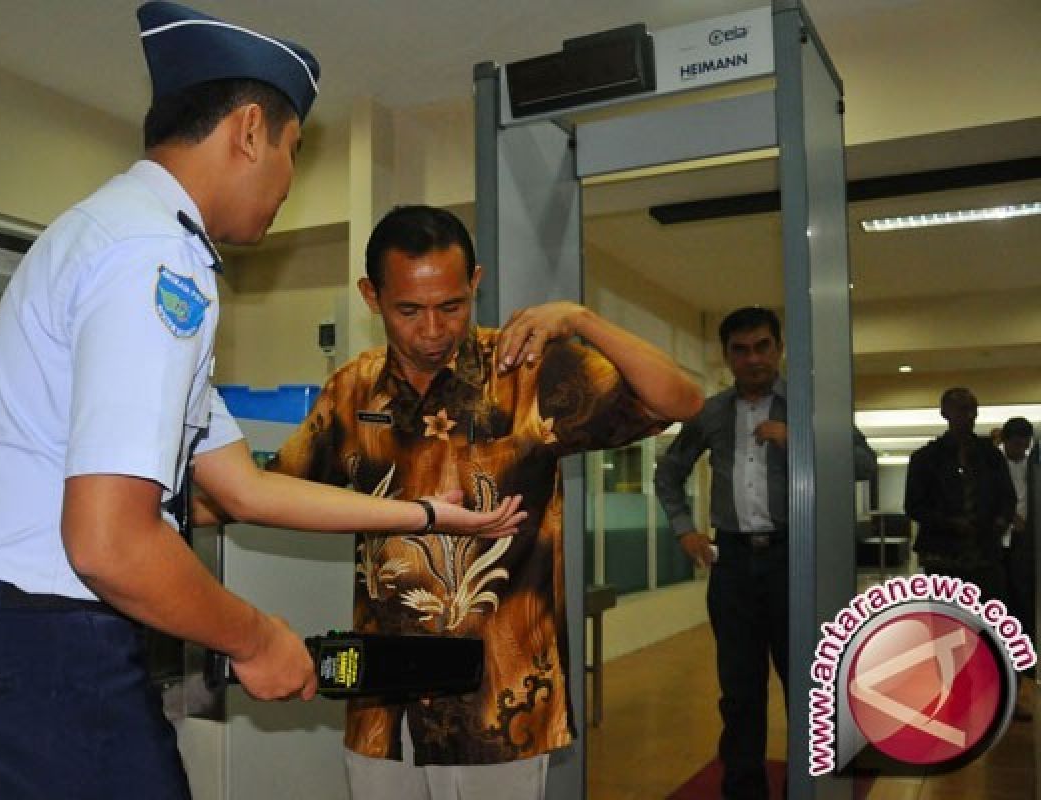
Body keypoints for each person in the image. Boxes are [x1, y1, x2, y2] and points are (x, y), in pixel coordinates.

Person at [0, 5, 525, 798]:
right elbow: (109, 542)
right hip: (41, 651)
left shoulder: (118, 235)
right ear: (251, 130)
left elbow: (240, 486)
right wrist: (257, 637)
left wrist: (430, 516)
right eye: (294, 153)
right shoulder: (156, 258)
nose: (289, 183)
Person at [262, 205, 704, 800]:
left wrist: (580, 318)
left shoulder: (527, 372)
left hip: (498, 704)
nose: (433, 330)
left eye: (451, 306)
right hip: (381, 706)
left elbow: (681, 400)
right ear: (372, 296)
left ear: (475, 282)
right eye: (409, 310)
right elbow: (271, 488)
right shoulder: (352, 390)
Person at [654, 305, 876, 800]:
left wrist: (799, 440)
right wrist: (684, 529)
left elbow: (863, 464)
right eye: (741, 350)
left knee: (805, 683)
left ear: (778, 348)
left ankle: (810, 786)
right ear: (727, 355)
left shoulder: (810, 406)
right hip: (731, 565)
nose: (753, 359)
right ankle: (744, 788)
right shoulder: (711, 412)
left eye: (762, 347)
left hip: (792, 560)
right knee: (739, 691)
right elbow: (668, 472)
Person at [905, 388, 1015, 605]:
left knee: (986, 621)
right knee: (947, 621)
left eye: (974, 410)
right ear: (945, 413)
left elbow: (1007, 497)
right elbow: (914, 506)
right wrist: (949, 523)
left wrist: (999, 522)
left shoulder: (990, 456)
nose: (970, 416)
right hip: (942, 554)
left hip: (985, 554)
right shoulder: (926, 458)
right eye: (963, 409)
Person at [999, 416, 1036, 719]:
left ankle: (1021, 676)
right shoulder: (992, 465)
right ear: (1005, 441)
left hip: (1025, 545)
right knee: (1000, 606)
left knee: (1023, 607)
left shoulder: (1031, 467)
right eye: (1017, 443)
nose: (1021, 449)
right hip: (997, 544)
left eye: (1026, 444)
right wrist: (1010, 517)